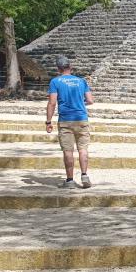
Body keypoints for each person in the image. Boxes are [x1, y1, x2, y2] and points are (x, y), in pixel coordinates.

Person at [46, 56, 94, 189]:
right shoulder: (81, 81)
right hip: (81, 118)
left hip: (65, 120)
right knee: (83, 149)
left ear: (58, 69)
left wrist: (48, 121)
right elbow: (90, 101)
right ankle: (84, 175)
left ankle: (70, 180)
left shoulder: (55, 82)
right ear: (70, 67)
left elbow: (52, 103)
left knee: (68, 151)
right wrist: (79, 104)